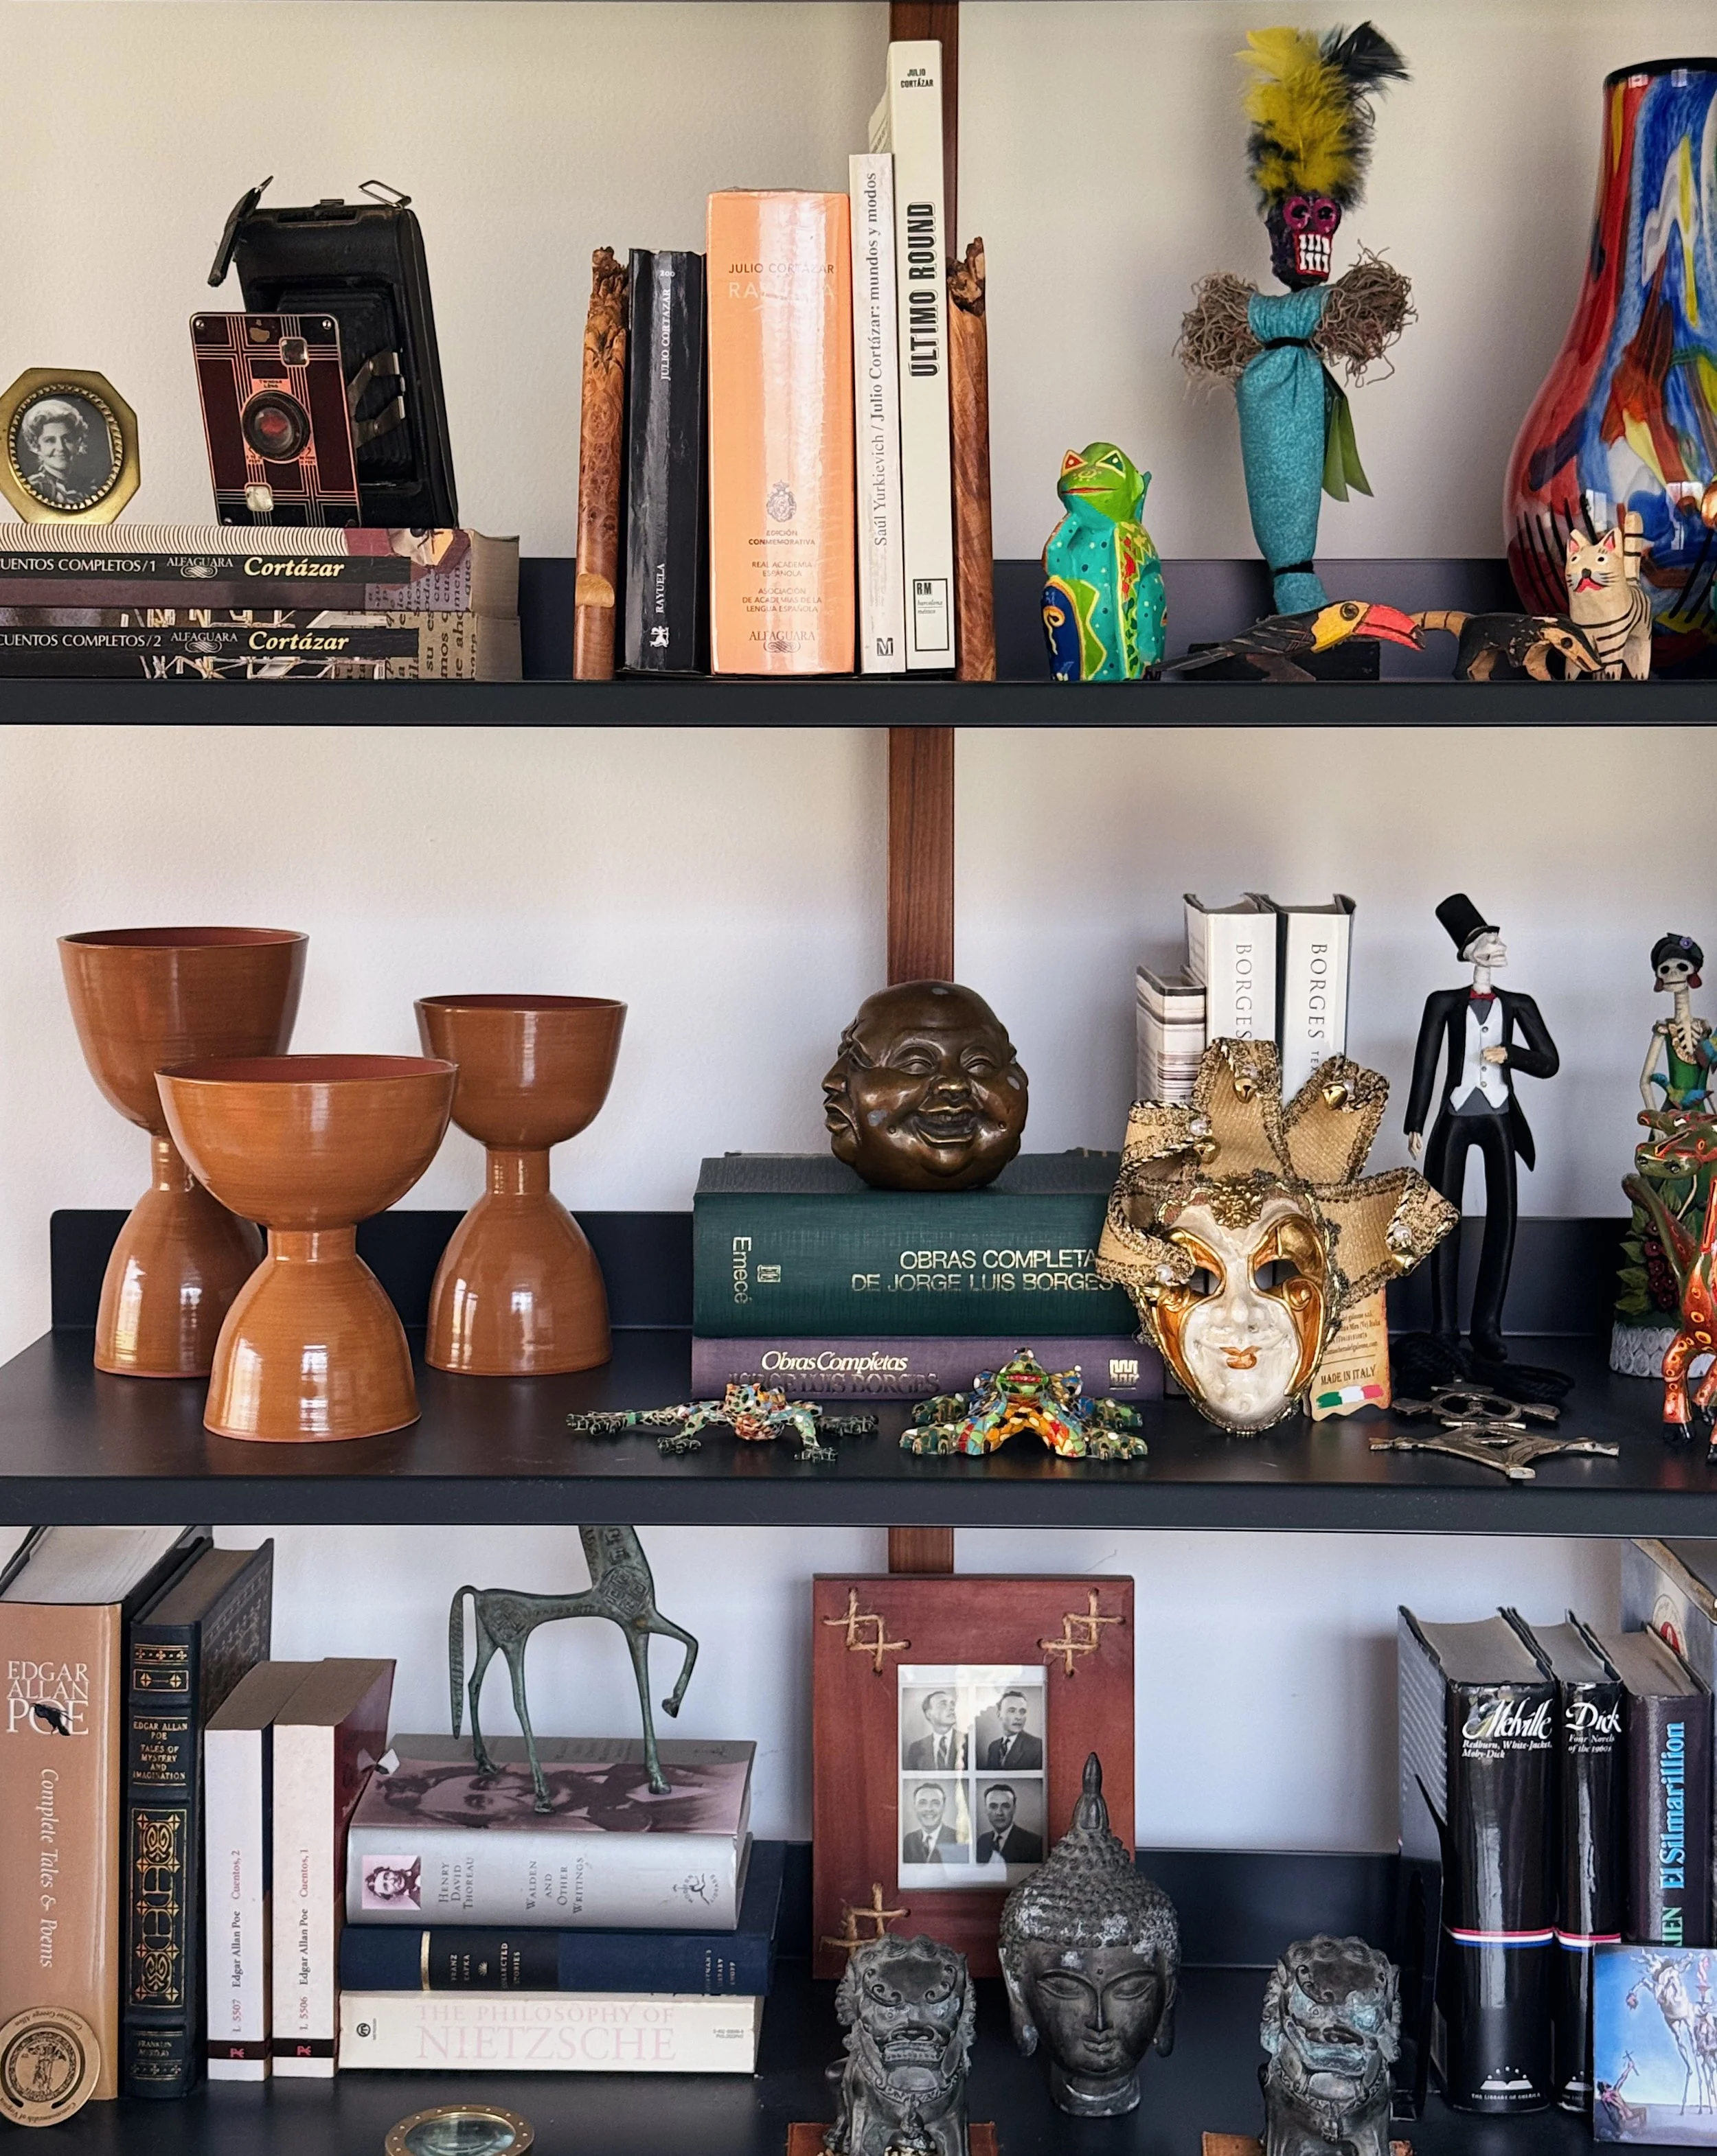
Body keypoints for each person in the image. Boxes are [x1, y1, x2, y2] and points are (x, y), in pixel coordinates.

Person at [1405, 893, 1559, 1362]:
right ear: (1469, 952)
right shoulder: (1443, 1003)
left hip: (1498, 1116)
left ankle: (1487, 1324)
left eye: (1497, 938)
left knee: (1504, 1218)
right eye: (1488, 941)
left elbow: (1549, 1061)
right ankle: (1445, 1326)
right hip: (1455, 1115)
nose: (1498, 946)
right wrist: (1416, 1121)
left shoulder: (1519, 1004)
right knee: (1442, 1219)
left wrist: (1511, 1054)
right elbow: (1426, 1064)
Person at [19, 398, 100, 509]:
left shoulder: (90, 487)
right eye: (50, 440)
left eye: (67, 439)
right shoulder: (35, 487)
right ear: (36, 446)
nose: (61, 448)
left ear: (78, 442)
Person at [901, 1781, 966, 1866]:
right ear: (915, 1807)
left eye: (935, 1803)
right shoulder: (909, 1840)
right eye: (923, 1803)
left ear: (944, 1807)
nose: (929, 1809)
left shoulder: (959, 1840)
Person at [977, 1783, 1043, 1866]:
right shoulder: (982, 1841)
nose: (999, 1813)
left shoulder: (1035, 1844)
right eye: (993, 1806)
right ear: (986, 1809)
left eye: (1005, 1806)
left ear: (1014, 1808)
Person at [902, 1688, 968, 1771]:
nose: (952, 1708)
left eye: (953, 1704)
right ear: (929, 1714)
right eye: (943, 1704)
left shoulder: (968, 1741)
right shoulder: (916, 1748)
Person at [983, 1689, 1044, 1770]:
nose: (1018, 1717)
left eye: (1022, 1712)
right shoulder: (993, 1747)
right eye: (1012, 1711)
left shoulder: (1037, 1746)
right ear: (999, 1714)